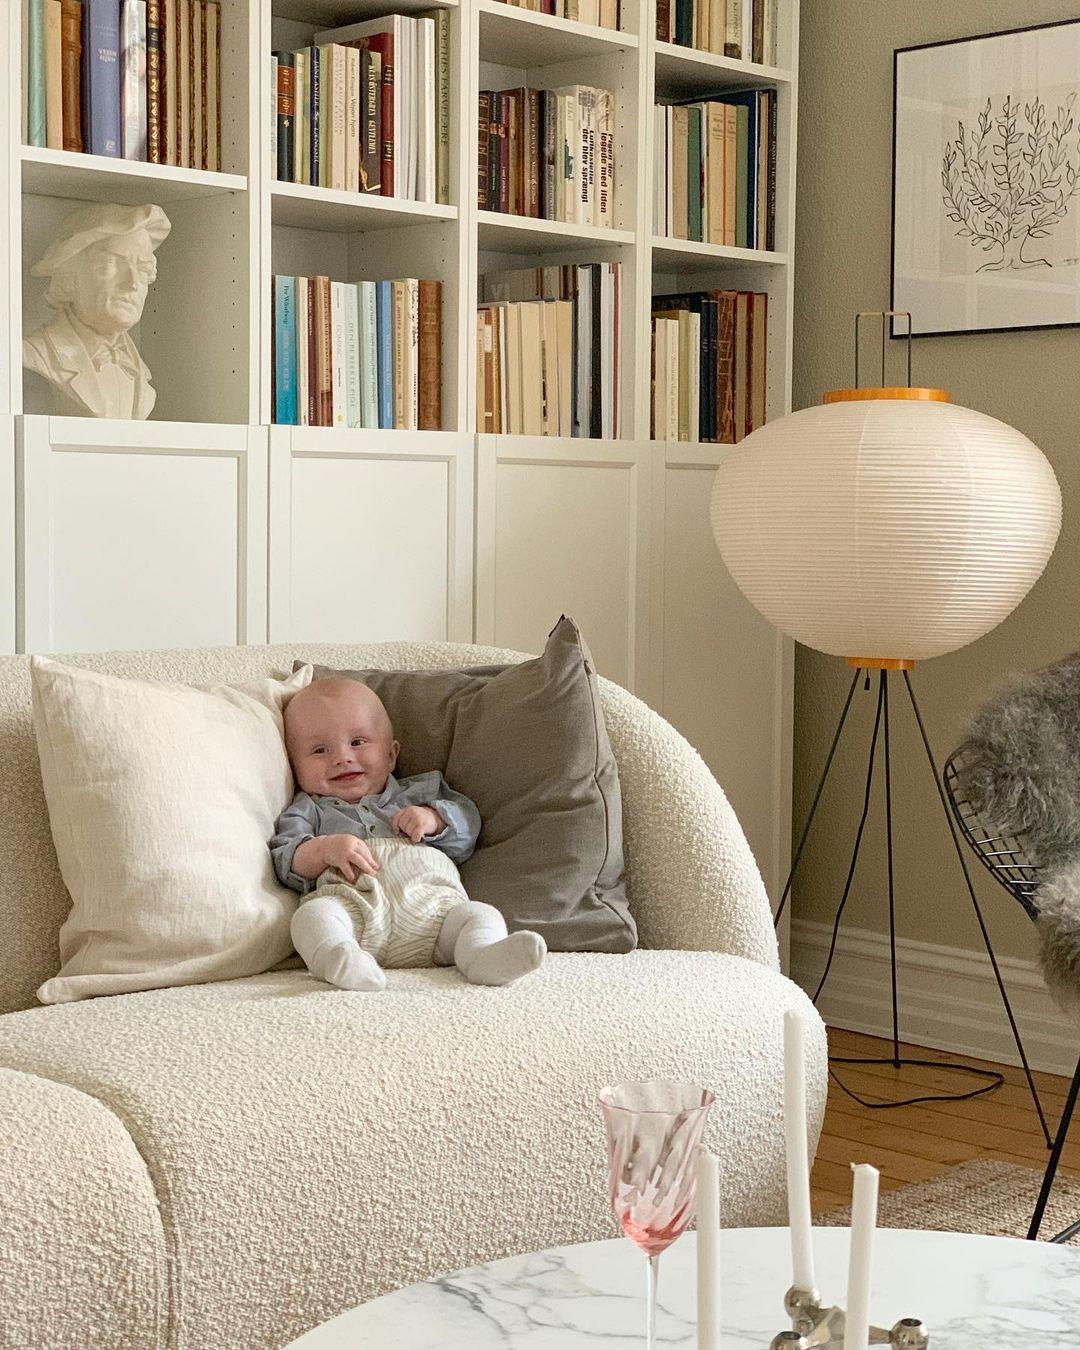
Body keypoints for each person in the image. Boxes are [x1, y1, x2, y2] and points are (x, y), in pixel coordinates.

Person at [271, 677, 547, 991]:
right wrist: (324, 850)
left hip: (436, 912)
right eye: (320, 750)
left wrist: (434, 819)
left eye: (358, 742)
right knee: (311, 917)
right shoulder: (308, 810)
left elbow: (468, 828)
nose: (342, 758)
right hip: (354, 913)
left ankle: (481, 956)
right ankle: (340, 959)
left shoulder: (421, 791)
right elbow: (285, 860)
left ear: (391, 755)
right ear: (295, 767)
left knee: (480, 915)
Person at [23, 202, 170, 419]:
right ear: (69, 278)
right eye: (111, 264)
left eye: (143, 270)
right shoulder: (32, 355)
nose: (132, 283)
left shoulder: (139, 371)